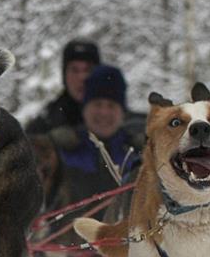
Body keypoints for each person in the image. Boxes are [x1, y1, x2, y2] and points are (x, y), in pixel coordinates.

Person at [50, 64, 146, 206]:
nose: (104, 112)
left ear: (123, 112)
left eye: (111, 105)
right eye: (97, 104)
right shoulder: (60, 150)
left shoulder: (140, 153)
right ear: (84, 109)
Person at [24, 39, 100, 135]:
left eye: (88, 70)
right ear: (65, 74)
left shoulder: (117, 120)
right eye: (74, 70)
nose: (82, 77)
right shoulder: (45, 124)